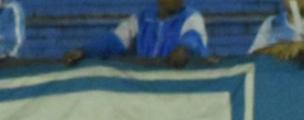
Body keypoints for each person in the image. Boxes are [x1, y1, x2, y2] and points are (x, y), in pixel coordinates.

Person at [62, 0, 208, 68]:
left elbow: (193, 39)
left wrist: (184, 49)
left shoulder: (192, 17)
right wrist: (84, 51)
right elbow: (114, 40)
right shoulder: (141, 18)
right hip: (145, 88)